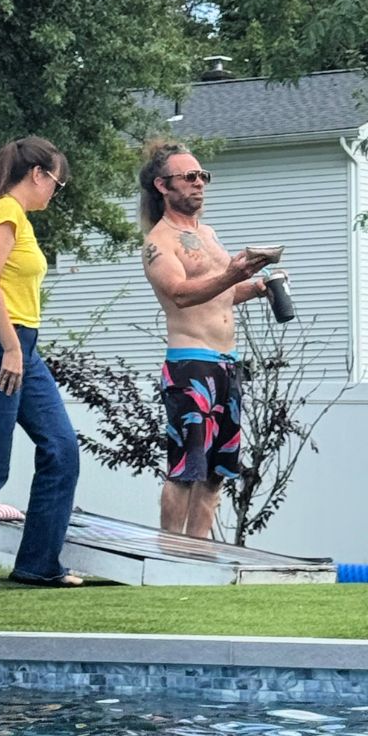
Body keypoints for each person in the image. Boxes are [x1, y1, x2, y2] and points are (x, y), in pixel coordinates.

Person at [0, 136, 82, 592]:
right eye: (57, 184)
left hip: (21, 344)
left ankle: (38, 563)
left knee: (61, 448)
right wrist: (10, 348)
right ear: (38, 174)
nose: (54, 194)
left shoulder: (16, 217)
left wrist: (19, 348)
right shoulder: (6, 211)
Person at [139, 139, 270, 540]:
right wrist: (234, 275)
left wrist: (258, 286)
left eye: (202, 176)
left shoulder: (209, 234)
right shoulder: (158, 243)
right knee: (185, 468)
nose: (199, 183)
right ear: (163, 186)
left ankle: (197, 559)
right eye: (189, 177)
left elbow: (221, 292)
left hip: (226, 363)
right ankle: (169, 554)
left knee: (216, 472)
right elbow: (181, 293)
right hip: (190, 363)